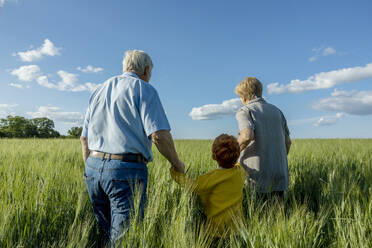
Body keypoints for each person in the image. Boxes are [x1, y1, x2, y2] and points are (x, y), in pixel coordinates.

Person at [80, 50, 185, 245]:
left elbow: (84, 138)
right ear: (146, 70)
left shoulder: (99, 89)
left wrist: (90, 168)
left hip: (93, 168)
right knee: (123, 239)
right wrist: (177, 164)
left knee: (103, 233)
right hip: (125, 169)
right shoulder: (144, 89)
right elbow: (158, 135)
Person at [170, 134, 246, 237]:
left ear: (214, 156)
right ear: (237, 156)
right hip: (236, 230)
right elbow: (237, 165)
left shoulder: (210, 178)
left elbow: (190, 185)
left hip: (215, 231)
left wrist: (176, 174)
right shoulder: (240, 172)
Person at [235, 77, 291, 200]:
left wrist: (230, 155)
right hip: (279, 174)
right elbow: (288, 142)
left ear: (244, 97)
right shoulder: (278, 112)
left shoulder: (245, 111)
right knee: (278, 215)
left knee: (255, 213)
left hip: (256, 176)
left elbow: (246, 136)